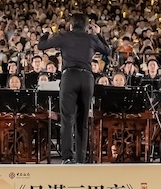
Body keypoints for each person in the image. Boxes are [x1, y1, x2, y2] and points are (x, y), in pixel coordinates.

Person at [37, 13, 110, 164]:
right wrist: (99, 35)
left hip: (69, 77)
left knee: (67, 119)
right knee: (82, 121)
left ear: (71, 25)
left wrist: (45, 34)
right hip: (87, 78)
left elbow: (41, 46)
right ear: (86, 26)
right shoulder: (91, 38)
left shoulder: (64, 36)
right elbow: (107, 51)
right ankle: (81, 159)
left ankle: (67, 157)